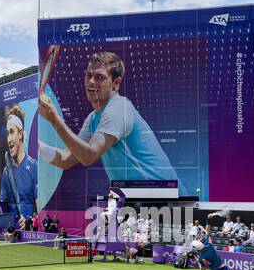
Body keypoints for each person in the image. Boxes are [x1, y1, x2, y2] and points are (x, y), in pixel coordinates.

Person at [37, 51, 178, 185]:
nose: (91, 82)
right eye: (88, 75)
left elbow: (88, 156)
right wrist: (36, 146)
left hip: (163, 197)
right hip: (139, 198)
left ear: (116, 84)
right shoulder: (93, 118)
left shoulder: (118, 108)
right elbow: (66, 159)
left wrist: (55, 120)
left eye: (99, 77)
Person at [0, 108, 38, 225]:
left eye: (12, 132)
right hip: (11, 234)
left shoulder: (34, 167)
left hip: (30, 235)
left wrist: (31, 221)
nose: (9, 139)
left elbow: (41, 210)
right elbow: (3, 209)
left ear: (20, 134)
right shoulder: (6, 173)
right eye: (7, 134)